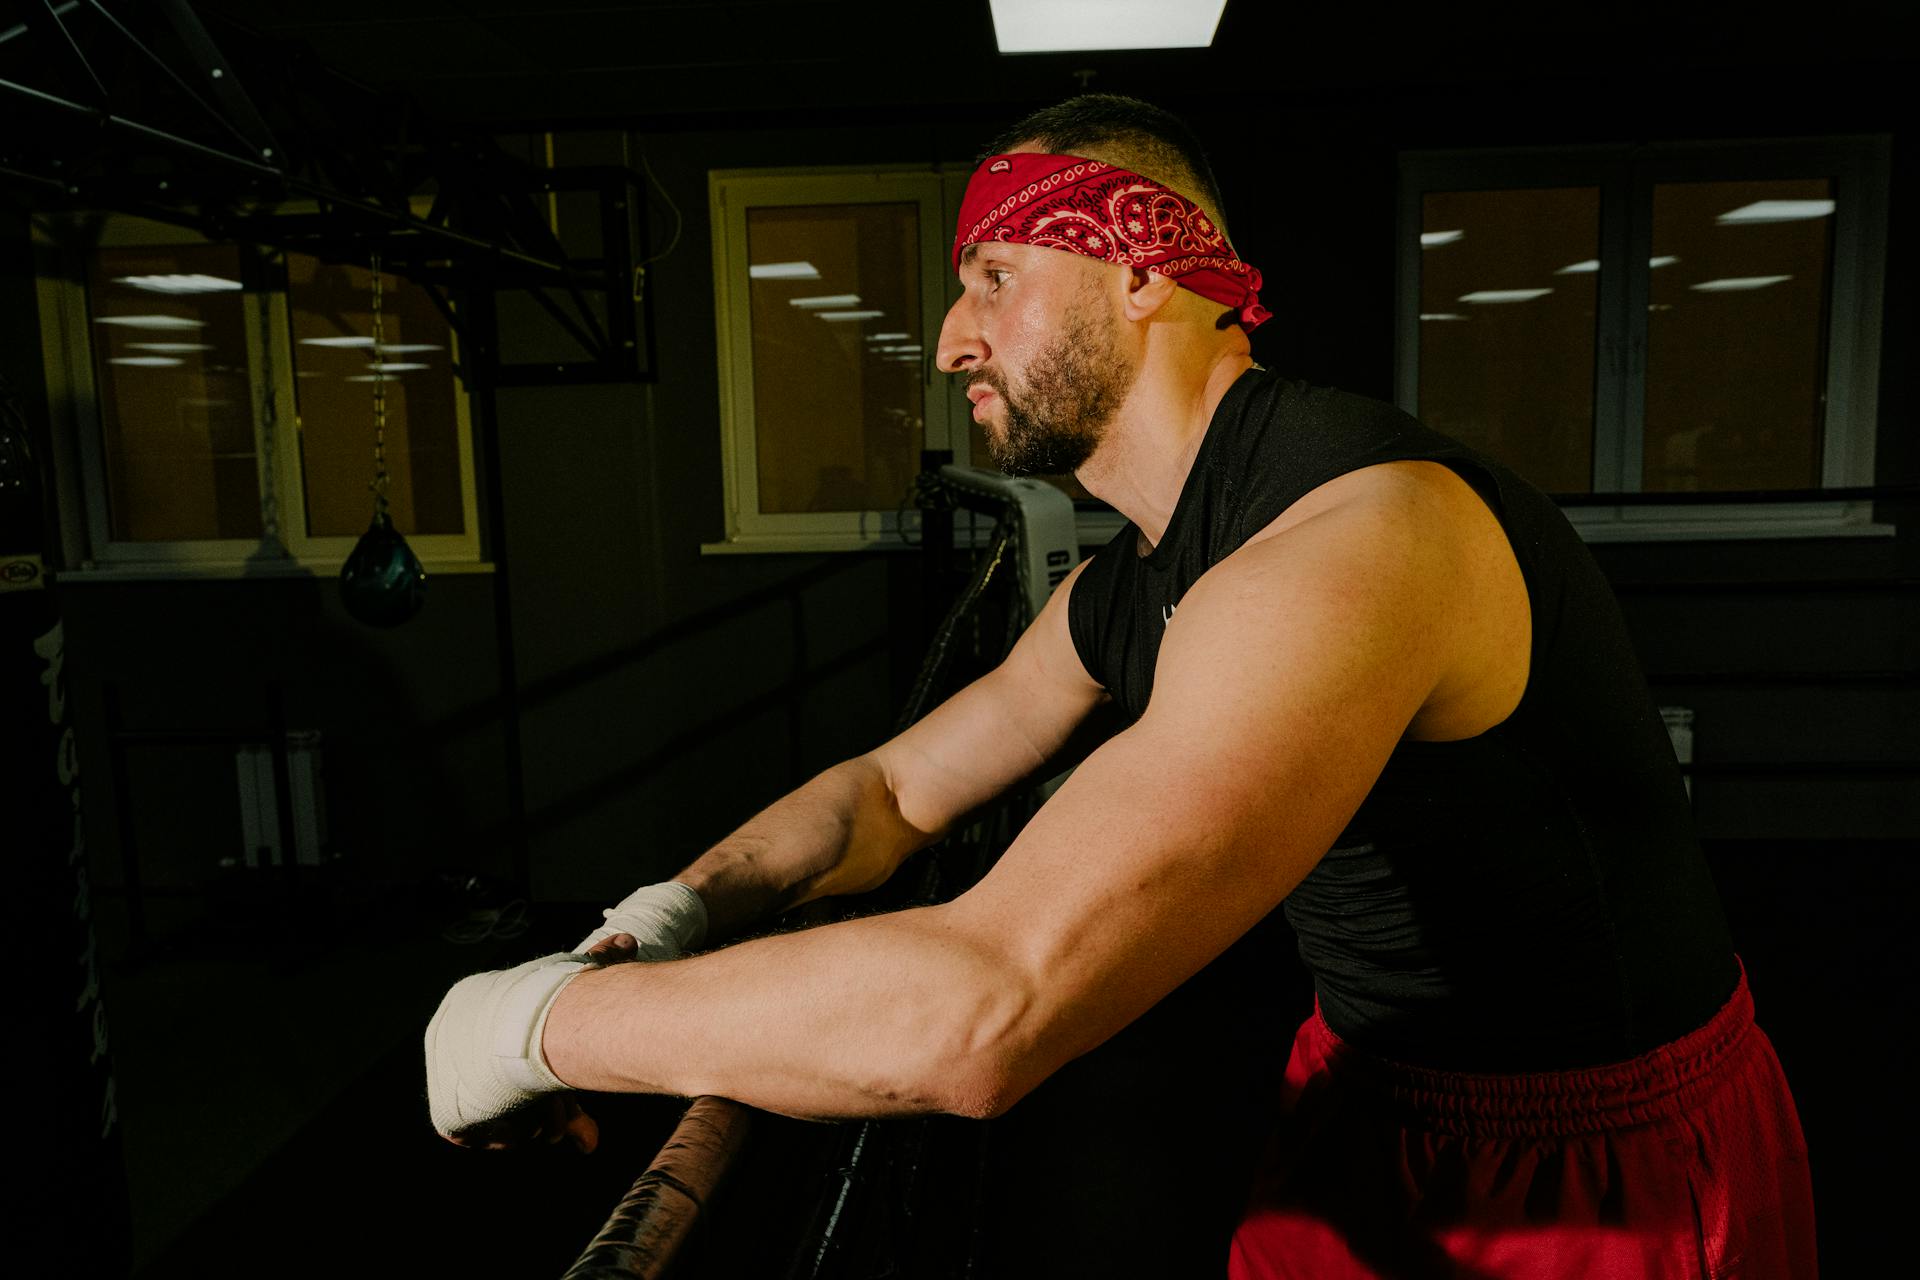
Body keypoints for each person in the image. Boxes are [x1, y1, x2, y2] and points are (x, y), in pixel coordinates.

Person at [426, 95, 1816, 1276]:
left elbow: (985, 1011)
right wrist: (671, 914)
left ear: (1144, 267)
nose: (953, 341)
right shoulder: (1136, 580)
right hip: (1363, 1094)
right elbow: (898, 787)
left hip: (1588, 1167)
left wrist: (526, 1027)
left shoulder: (1354, 544)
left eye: (993, 278)